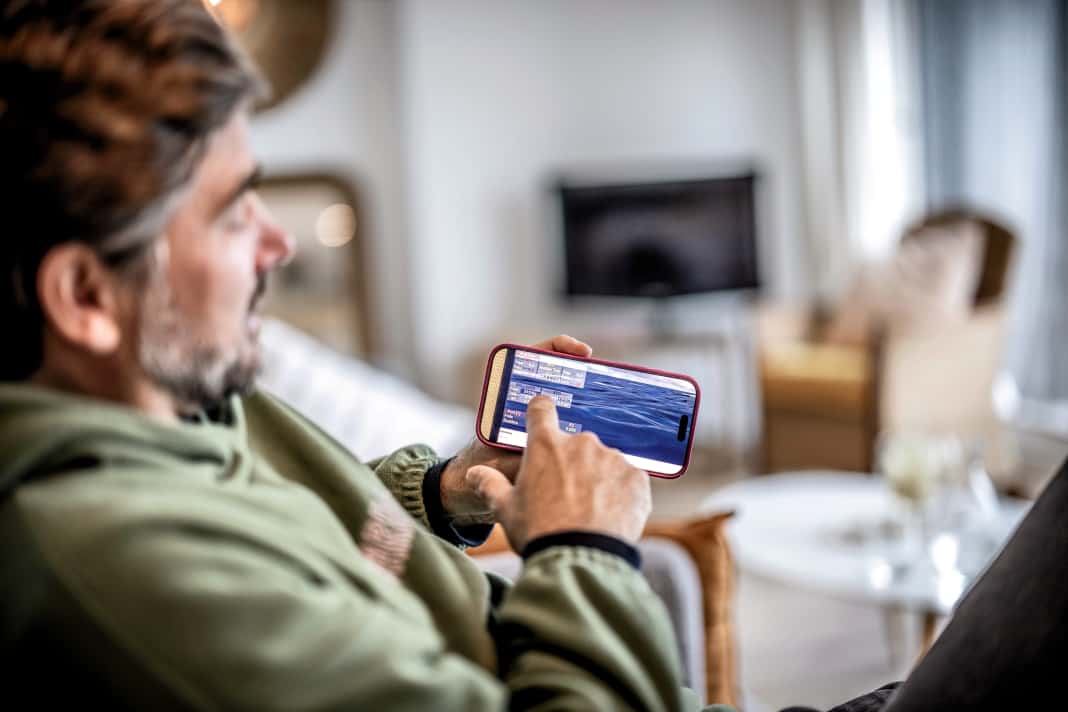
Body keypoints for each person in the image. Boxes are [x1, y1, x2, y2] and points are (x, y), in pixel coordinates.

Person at [0, 1, 728, 709]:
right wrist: (585, 547)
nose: (278, 246)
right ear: (87, 296)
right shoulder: (133, 572)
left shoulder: (181, 394)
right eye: (232, 214)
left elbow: (321, 523)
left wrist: (453, 486)